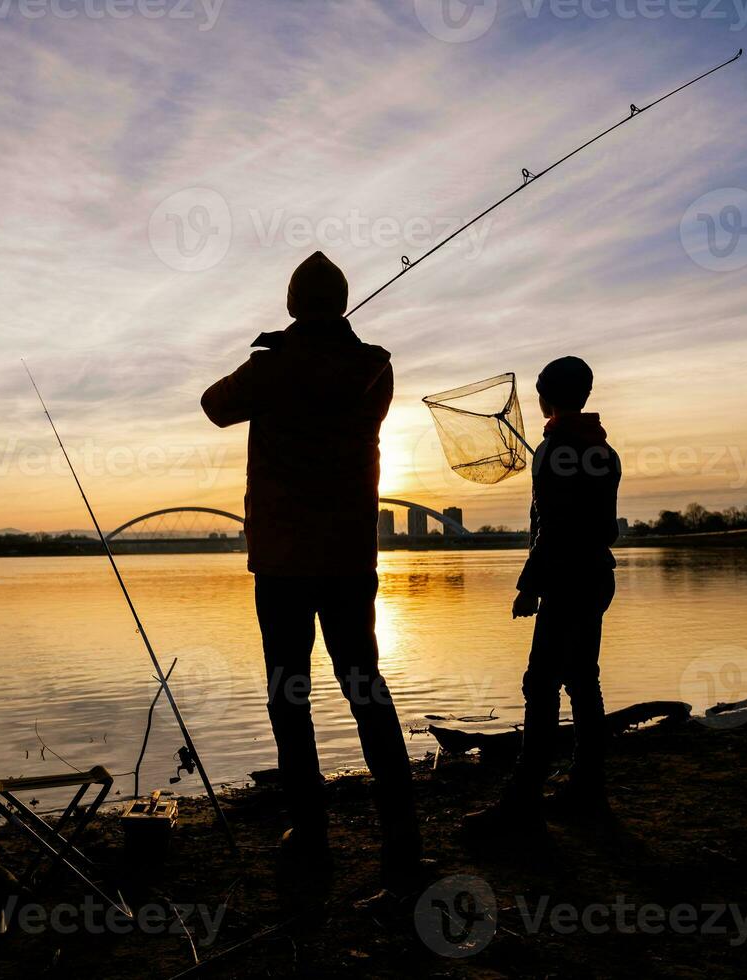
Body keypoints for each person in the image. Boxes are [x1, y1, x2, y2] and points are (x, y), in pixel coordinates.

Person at [201, 250, 423, 898]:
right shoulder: (374, 366)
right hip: (350, 558)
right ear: (344, 304)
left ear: (295, 305)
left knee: (288, 696)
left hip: (284, 564)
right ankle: (403, 833)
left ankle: (311, 833)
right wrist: (298, 348)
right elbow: (335, 386)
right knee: (366, 689)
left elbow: (215, 406)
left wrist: (276, 352)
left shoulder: (272, 368)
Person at [466, 355, 621, 836]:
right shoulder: (602, 449)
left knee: (541, 685)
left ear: (545, 396)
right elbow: (602, 527)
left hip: (565, 579)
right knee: (583, 681)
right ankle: (587, 788)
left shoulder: (555, 449)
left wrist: (529, 585)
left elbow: (552, 529)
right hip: (596, 575)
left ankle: (524, 802)